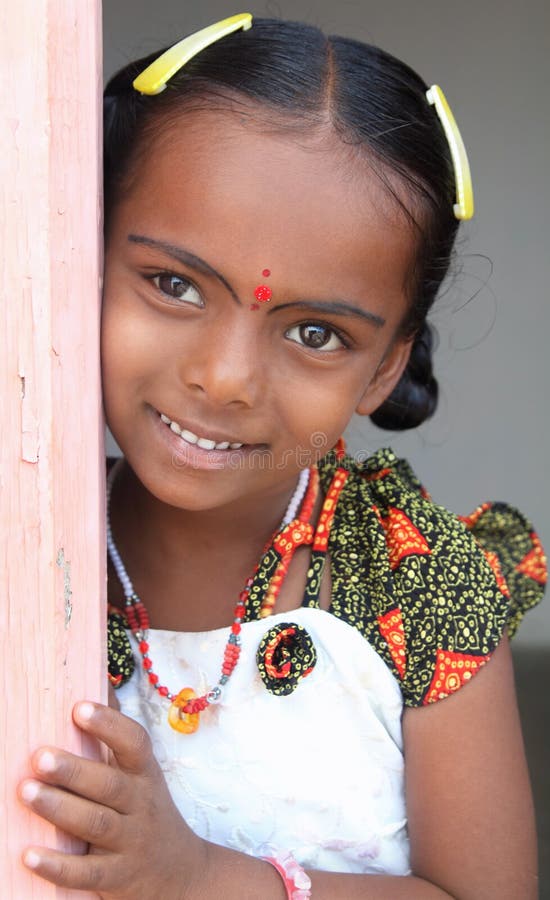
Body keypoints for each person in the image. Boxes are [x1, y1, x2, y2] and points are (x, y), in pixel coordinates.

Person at [18, 14, 546, 899]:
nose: (224, 380)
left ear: (384, 366)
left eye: (314, 332)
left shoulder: (422, 591)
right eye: (175, 284)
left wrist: (198, 879)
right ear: (84, 259)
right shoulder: (28, 540)